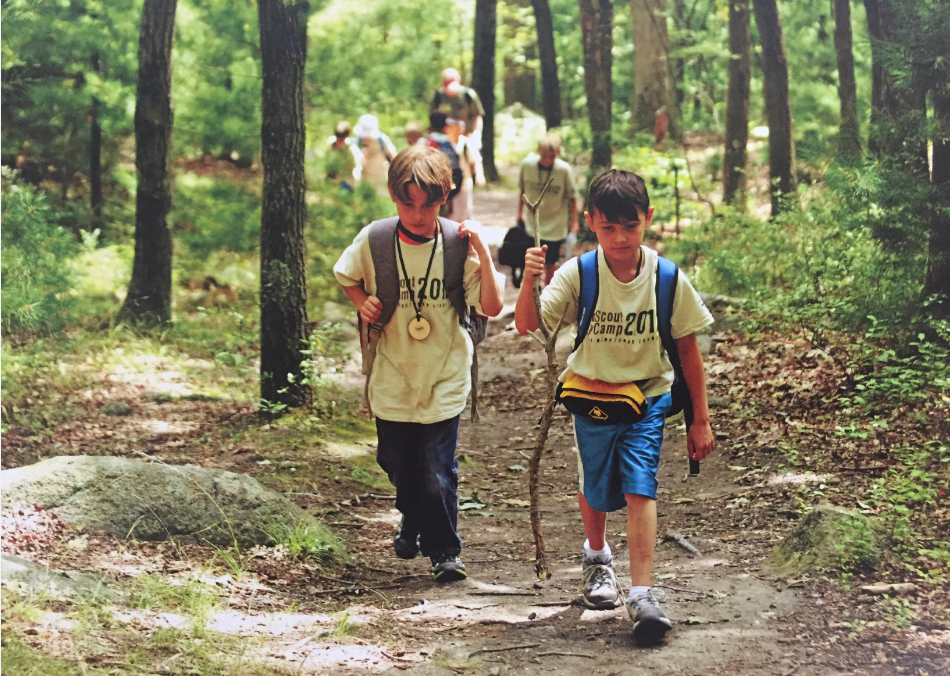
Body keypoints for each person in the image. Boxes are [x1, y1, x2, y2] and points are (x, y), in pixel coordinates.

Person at [513, 170, 716, 644]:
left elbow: (688, 352)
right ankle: (597, 558)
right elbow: (527, 325)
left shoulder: (667, 278)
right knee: (596, 486)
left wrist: (699, 420)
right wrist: (530, 279)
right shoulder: (580, 273)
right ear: (590, 224)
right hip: (592, 398)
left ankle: (643, 593)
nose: (620, 238)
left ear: (648, 219)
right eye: (609, 228)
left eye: (630, 226)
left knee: (640, 486)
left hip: (647, 398)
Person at [333, 145, 505, 582]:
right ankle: (412, 513)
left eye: (428, 203)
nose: (417, 213)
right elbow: (345, 275)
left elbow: (491, 305)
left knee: (437, 467)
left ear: (443, 197)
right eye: (407, 202)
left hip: (445, 371)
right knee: (396, 462)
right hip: (392, 371)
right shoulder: (374, 239)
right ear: (393, 196)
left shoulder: (455, 243)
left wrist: (483, 252)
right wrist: (363, 302)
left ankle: (445, 551)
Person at [516, 133, 578, 285]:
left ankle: (547, 295)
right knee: (531, 262)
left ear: (557, 153)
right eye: (544, 155)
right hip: (532, 223)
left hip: (555, 224)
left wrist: (574, 221)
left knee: (550, 262)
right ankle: (531, 294)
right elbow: (522, 191)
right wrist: (519, 213)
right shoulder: (527, 165)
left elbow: (572, 197)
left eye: (551, 156)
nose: (547, 160)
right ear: (538, 150)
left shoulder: (563, 170)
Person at [431, 68, 484, 150]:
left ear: (459, 80)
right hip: (445, 140)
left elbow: (477, 116)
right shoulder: (439, 96)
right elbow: (433, 119)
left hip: (466, 138)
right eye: (446, 81)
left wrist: (477, 135)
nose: (449, 84)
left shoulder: (468, 95)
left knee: (474, 159)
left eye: (452, 80)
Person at [354, 114, 397, 193]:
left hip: (380, 178)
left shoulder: (382, 140)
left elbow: (392, 156)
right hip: (364, 178)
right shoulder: (358, 141)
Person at [325, 121, 362, 191]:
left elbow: (356, 167)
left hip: (345, 184)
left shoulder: (352, 150)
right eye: (338, 137)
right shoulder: (330, 145)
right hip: (331, 181)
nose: (339, 142)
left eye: (342, 139)